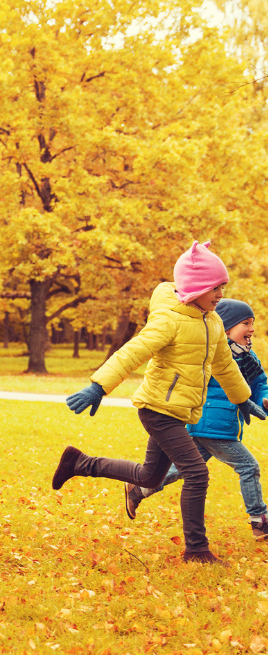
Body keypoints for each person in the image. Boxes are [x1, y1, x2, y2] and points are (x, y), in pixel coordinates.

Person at [53, 241, 265, 565]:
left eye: (223, 286)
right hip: (157, 410)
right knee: (197, 473)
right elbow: (133, 352)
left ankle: (80, 463)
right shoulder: (169, 319)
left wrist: (244, 400)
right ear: (195, 288)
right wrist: (99, 386)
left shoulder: (213, 322)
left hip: (177, 412)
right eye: (215, 287)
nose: (221, 293)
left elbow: (225, 366)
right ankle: (196, 549)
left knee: (150, 476)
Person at [127, 299, 268, 539]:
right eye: (246, 323)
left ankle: (139, 488)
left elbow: (258, 382)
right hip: (210, 423)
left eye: (252, 323)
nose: (252, 329)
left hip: (217, 426)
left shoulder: (247, 356)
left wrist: (264, 397)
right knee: (248, 466)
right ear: (226, 330)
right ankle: (260, 520)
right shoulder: (210, 354)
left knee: (184, 469)